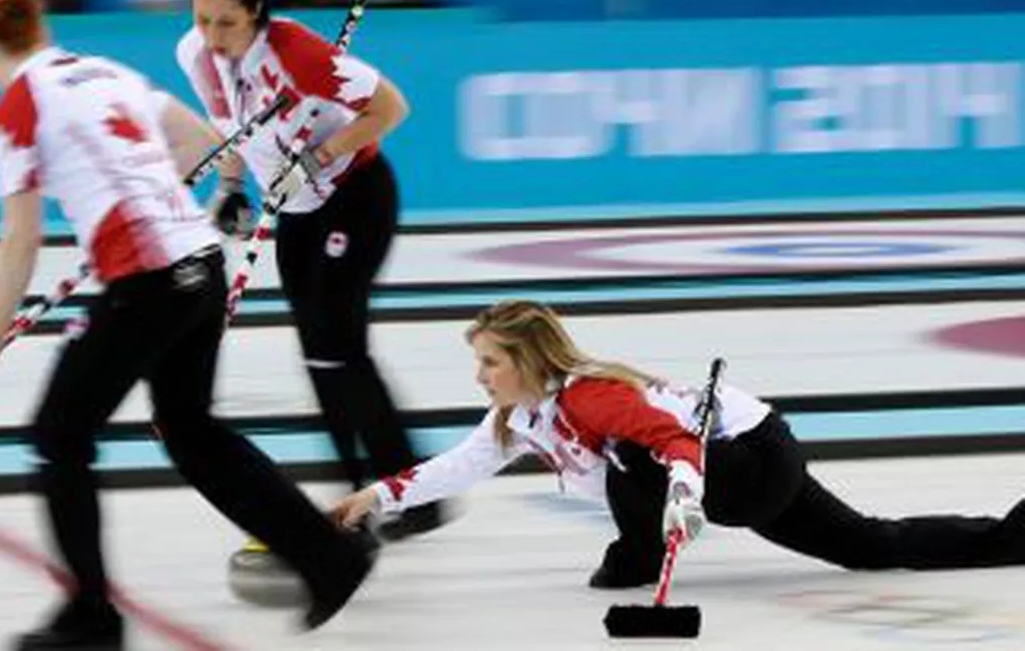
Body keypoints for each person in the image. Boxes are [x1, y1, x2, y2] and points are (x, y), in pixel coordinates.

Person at [0, 0, 374, 650]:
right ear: (40, 30)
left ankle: (91, 618)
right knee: (191, 430)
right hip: (200, 265)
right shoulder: (106, 72)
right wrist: (166, 194)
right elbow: (208, 145)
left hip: (146, 279)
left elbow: (21, 236)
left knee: (59, 435)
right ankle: (331, 559)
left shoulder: (16, 107)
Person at [331, 299, 1025, 590]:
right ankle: (1012, 537)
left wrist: (684, 497)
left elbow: (668, 438)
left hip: (750, 460)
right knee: (871, 546)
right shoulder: (521, 416)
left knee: (629, 456)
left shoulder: (589, 395)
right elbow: (462, 464)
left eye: (490, 362)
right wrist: (376, 496)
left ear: (529, 359)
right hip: (735, 473)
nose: (480, 376)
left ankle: (636, 556)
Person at [175, 0, 444, 539]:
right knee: (318, 356)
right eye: (203, 19)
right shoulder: (195, 54)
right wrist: (230, 187)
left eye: (226, 22)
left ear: (255, 11)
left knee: (339, 348)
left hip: (355, 195)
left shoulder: (297, 52)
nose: (213, 37)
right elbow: (230, 126)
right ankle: (357, 497)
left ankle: (414, 493)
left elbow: (391, 107)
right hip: (298, 210)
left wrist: (319, 156)